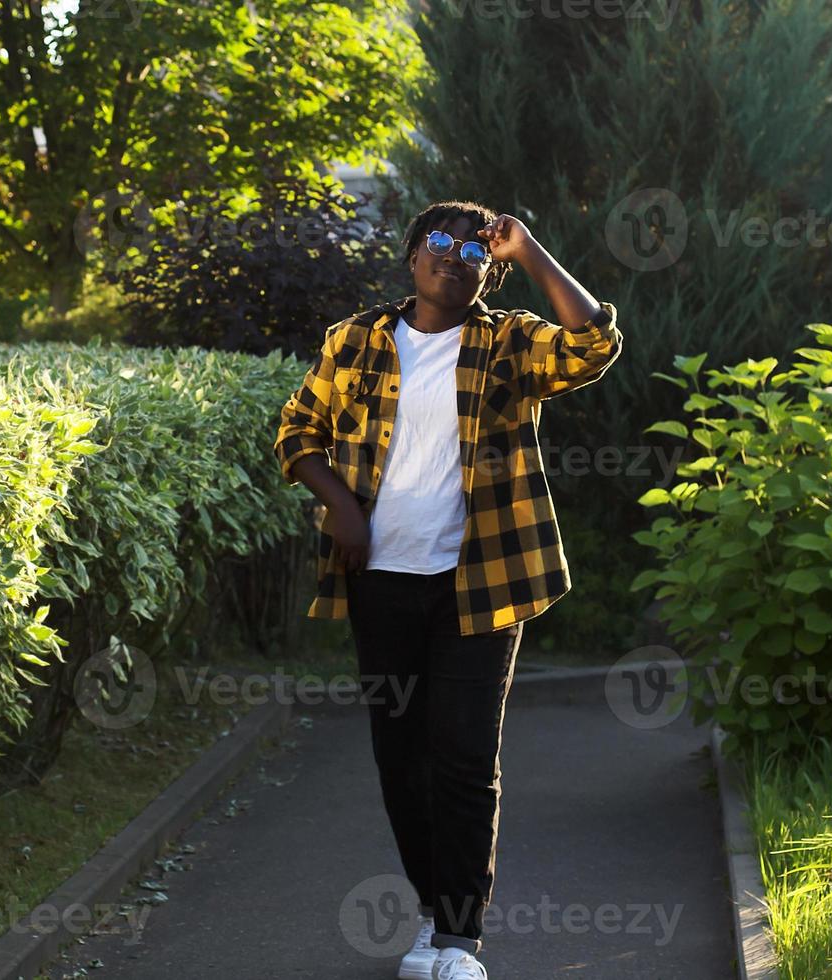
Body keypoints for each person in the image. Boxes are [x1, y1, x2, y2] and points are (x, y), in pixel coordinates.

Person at [272, 200, 623, 980]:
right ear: (410, 257)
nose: (453, 256)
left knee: (464, 758)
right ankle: (432, 914)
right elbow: (298, 431)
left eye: (474, 251)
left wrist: (527, 248)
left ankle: (462, 940)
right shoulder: (356, 340)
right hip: (381, 585)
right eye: (438, 242)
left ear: (489, 271)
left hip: (483, 585)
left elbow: (593, 342)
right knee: (401, 759)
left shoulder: (507, 341)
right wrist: (342, 512)